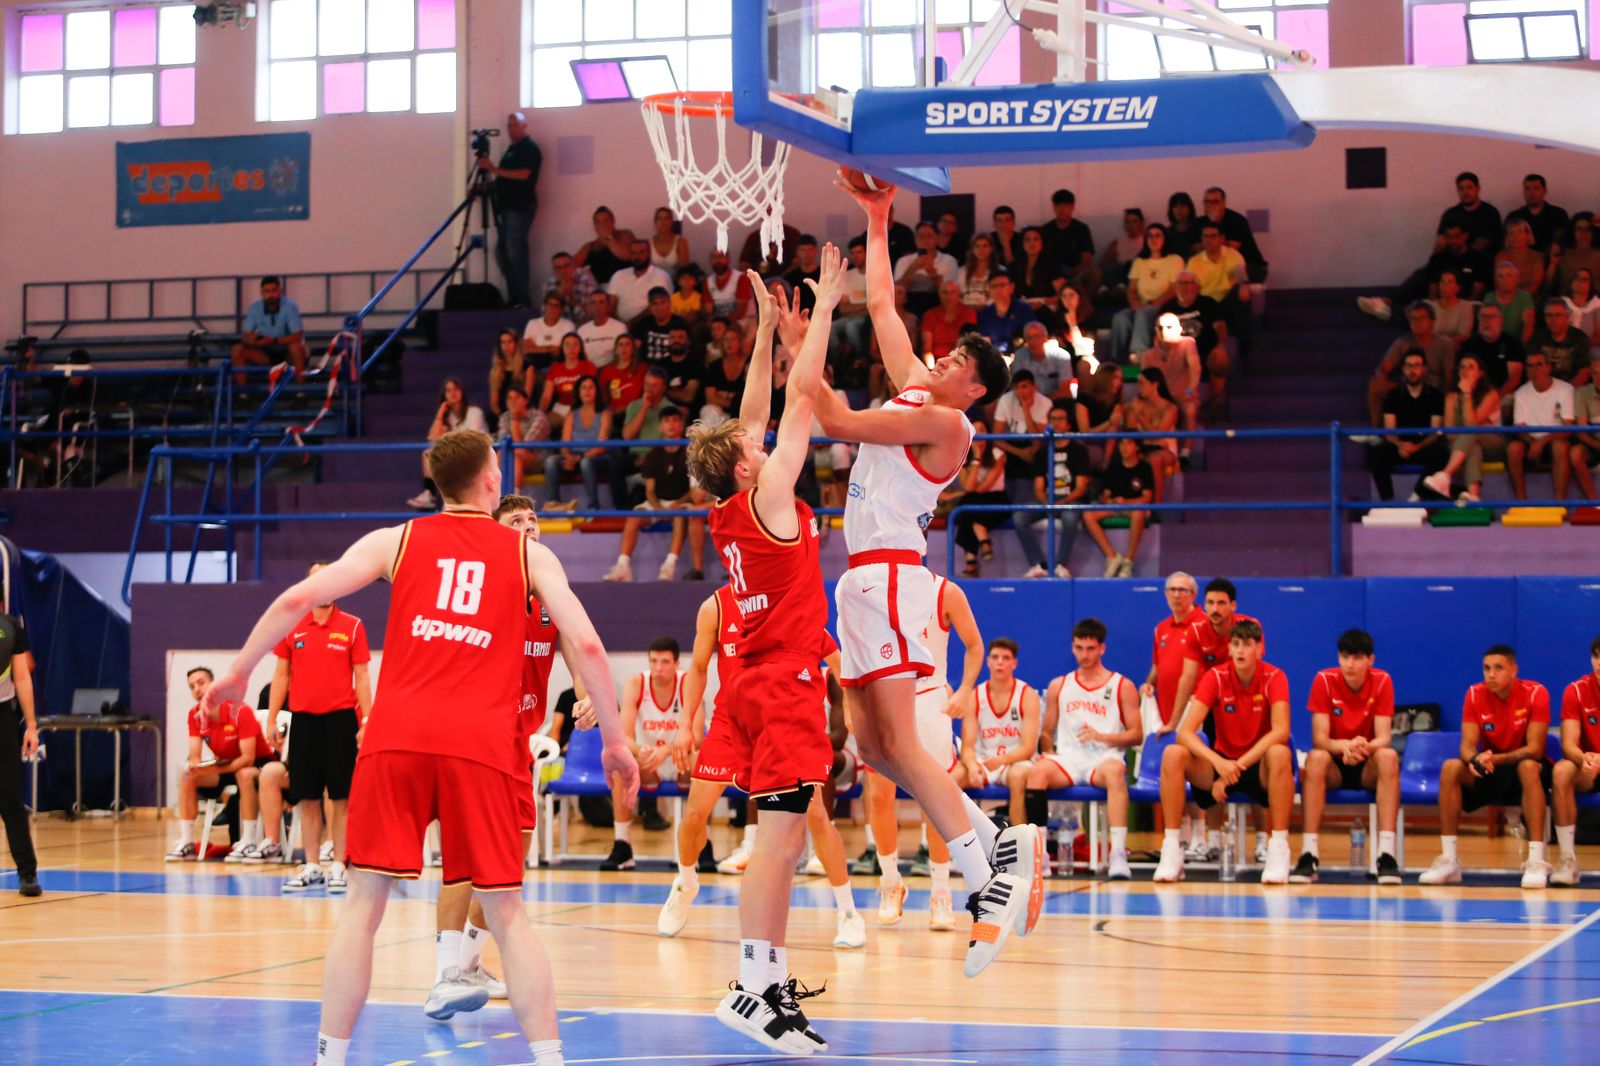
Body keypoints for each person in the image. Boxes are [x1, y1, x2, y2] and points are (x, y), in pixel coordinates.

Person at [201, 428, 638, 1066]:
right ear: (491, 479)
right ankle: (549, 1059)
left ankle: (329, 1057)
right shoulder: (527, 556)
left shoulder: (395, 541)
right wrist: (616, 742)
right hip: (481, 746)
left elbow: (300, 597)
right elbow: (591, 647)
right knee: (509, 912)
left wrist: (240, 670)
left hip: (395, 742)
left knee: (362, 908)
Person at [816, 172, 1040, 980]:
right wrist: (878, 219)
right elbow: (881, 307)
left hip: (893, 578)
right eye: (943, 351)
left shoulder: (949, 422)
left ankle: (987, 876)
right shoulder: (920, 387)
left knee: (904, 747)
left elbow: (835, 420)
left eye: (955, 360)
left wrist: (802, 338)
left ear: (974, 387)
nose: (940, 357)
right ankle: (995, 843)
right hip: (860, 580)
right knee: (872, 744)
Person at [685, 240, 842, 1055]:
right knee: (779, 846)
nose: (761, 440)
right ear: (746, 469)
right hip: (780, 681)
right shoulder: (772, 495)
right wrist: (817, 321)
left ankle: (764, 981)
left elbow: (753, 412)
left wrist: (761, 336)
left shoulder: (726, 509)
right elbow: (804, 400)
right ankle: (753, 987)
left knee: (778, 839)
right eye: (753, 446)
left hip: (752, 679)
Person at [422, 494, 579, 1020]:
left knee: (510, 863)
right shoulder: (485, 589)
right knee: (467, 860)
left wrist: (582, 690)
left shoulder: (549, 591)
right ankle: (445, 975)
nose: (530, 527)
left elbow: (575, 644)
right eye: (517, 521)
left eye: (535, 520)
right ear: (495, 534)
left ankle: (467, 962)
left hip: (518, 746)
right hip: (476, 739)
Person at [870, 576, 984, 930]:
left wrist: (965, 689)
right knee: (878, 797)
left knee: (934, 801)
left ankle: (940, 890)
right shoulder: (871, 587)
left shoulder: (945, 591)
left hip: (931, 697)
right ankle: (890, 882)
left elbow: (975, 644)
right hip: (885, 698)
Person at [1154, 620, 1293, 884]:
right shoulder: (1216, 676)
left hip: (1256, 764)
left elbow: (1281, 731)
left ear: (1259, 649)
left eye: (1248, 645)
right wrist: (1219, 763)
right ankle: (1172, 849)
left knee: (1280, 753)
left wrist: (1235, 767)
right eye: (1236, 644)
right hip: (1220, 762)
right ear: (1229, 648)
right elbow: (1185, 731)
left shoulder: (1275, 677)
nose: (1241, 650)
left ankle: (1279, 848)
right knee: (1173, 753)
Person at [261, 564, 372, 892]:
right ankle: (311, 865)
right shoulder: (293, 625)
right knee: (306, 797)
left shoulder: (352, 626)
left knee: (340, 798)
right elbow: (282, 674)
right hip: (304, 723)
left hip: (340, 722)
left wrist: (366, 720)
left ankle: (339, 863)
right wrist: (272, 717)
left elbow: (362, 676)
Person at [1419, 645, 1552, 890]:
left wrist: (1495, 759)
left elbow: (1536, 749)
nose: (1491, 674)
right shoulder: (1474, 694)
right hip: (1489, 768)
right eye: (1486, 669)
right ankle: (1449, 860)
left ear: (1514, 670)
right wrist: (1475, 760)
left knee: (1529, 766)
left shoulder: (1536, 693)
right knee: (1450, 767)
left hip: (1520, 768)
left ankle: (1535, 860)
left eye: (1498, 668)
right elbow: (1466, 747)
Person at [1029, 619, 1140, 880]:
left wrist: (1103, 736)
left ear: (1102, 648)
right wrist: (1047, 749)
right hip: (1069, 756)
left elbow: (1137, 734)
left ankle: (1118, 854)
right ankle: (1040, 855)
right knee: (1036, 773)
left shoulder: (1121, 685)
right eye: (1079, 648)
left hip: (1104, 757)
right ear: (1073, 647)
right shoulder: (1060, 685)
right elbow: (1047, 730)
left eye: (1090, 648)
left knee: (1115, 774)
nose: (1084, 655)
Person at [1292, 629, 1401, 885]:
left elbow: (1384, 736)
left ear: (1370, 660)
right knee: (1315, 758)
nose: (1350, 664)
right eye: (1345, 657)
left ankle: (1386, 855)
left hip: (1367, 761)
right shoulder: (1324, 680)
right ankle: (1309, 854)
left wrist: (1362, 748)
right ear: (1338, 658)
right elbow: (1320, 738)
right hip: (1335, 761)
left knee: (1389, 756)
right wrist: (1346, 747)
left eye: (1357, 658)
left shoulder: (1383, 680)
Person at [598, 637, 699, 871]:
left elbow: (697, 736)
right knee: (621, 761)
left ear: (676, 664)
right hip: (647, 761)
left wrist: (665, 751)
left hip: (679, 759)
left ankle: (701, 844)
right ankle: (623, 844)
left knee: (703, 759)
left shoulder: (689, 684)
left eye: (665, 662)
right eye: (653, 661)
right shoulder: (636, 684)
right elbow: (624, 736)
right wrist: (640, 751)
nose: (658, 668)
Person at [166, 666, 275, 861]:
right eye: (191, 686)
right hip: (225, 765)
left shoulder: (240, 711)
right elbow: (195, 756)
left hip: (258, 765)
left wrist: (219, 767)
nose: (197, 689)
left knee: (244, 774)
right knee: (188, 774)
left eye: (201, 683)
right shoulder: (195, 715)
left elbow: (248, 758)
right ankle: (188, 841)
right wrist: (197, 766)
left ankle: (248, 840)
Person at [602, 405, 707, 582]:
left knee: (681, 514)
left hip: (681, 503)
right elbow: (649, 490)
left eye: (675, 420)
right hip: (658, 502)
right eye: (667, 421)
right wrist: (658, 507)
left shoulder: (691, 453)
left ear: (681, 425)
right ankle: (623, 565)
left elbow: (694, 492)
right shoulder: (653, 454)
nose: (671, 425)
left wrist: (675, 505)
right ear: (660, 426)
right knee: (634, 516)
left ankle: (669, 566)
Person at [955, 637, 1039, 826]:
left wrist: (1001, 760)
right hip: (985, 760)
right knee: (954, 777)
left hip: (1016, 761)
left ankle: (1018, 842)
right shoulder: (976, 695)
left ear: (1014, 663)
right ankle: (955, 844)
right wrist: (972, 765)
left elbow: (1028, 748)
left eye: (1006, 658)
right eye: (995, 657)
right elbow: (967, 746)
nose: (1000, 662)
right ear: (988, 661)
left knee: (1018, 776)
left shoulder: (1027, 695)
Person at [993, 370, 1053, 578]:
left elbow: (1040, 442)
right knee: (1002, 454)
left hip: (1037, 453)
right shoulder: (1006, 401)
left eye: (1026, 387)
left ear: (1034, 387)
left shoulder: (1044, 403)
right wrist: (1019, 452)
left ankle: (1036, 504)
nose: (1022, 391)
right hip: (1015, 451)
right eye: (1018, 387)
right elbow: (996, 437)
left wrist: (1027, 410)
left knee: (1038, 454)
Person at [1365, 349, 1448, 501]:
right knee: (1376, 453)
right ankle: (1387, 501)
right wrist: (1400, 444)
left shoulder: (1436, 396)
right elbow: (1389, 430)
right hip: (1399, 446)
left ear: (1424, 369)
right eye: (1409, 366)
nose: (1412, 370)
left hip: (1424, 446)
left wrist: (1418, 446)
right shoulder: (1393, 395)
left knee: (1441, 453)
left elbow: (1435, 431)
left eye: (1417, 366)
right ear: (1403, 369)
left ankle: (1417, 496)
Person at [1550, 637, 1600, 887]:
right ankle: (1568, 860)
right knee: (1561, 770)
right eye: (1596, 656)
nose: (1599, 663)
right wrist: (1584, 758)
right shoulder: (1576, 690)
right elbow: (1569, 743)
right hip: (1588, 767)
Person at [1424, 353, 1503, 504]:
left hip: (1493, 442)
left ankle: (1445, 475)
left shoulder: (1490, 394)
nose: (1465, 370)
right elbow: (1449, 432)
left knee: (1472, 432)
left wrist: (1466, 393)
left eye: (1471, 367)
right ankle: (1473, 496)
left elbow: (1472, 424)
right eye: (1462, 367)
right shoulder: (1451, 397)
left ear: (1480, 373)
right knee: (1473, 448)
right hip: (1464, 444)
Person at [482, 111, 541, 307]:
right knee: (502, 252)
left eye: (515, 124)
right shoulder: (511, 150)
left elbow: (524, 174)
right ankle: (514, 295)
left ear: (524, 126)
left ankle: (522, 298)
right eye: (509, 125)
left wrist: (493, 169)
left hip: (519, 207)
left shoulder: (529, 149)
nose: (511, 129)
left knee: (516, 252)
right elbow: (504, 178)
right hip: (506, 209)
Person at [0, 612, 40, 896]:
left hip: (3, 716)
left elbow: (22, 675)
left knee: (10, 799)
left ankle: (27, 873)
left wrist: (32, 725)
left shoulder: (11, 627)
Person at [410, 378, 489, 510]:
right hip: (455, 457)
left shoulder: (474, 412)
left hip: (476, 456)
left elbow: (473, 440)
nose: (453, 393)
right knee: (429, 453)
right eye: (448, 390)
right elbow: (433, 439)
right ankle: (429, 494)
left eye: (456, 389)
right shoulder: (447, 416)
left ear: (462, 392)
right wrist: (440, 415)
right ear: (444, 395)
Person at [1111, 222, 1184, 363]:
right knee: (1120, 318)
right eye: (1150, 236)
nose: (1153, 239)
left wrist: (1153, 304)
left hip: (1164, 306)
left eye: (1158, 235)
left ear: (1165, 239)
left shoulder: (1174, 260)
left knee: (1143, 314)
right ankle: (1117, 360)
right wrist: (1135, 304)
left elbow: (1174, 289)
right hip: (1141, 306)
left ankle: (1139, 356)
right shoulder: (1139, 262)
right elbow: (1131, 289)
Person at [1083, 436, 1154, 579]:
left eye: (1129, 443)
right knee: (1087, 515)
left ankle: (1128, 561)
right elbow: (1105, 493)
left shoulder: (1145, 468)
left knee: (1139, 512)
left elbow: (1146, 497)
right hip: (1115, 506)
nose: (1124, 447)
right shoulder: (1114, 466)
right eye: (1121, 443)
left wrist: (1126, 501)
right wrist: (1110, 500)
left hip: (1133, 507)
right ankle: (1112, 556)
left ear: (1137, 447)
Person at [1508, 350, 1576, 500]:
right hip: (1530, 441)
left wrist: (1542, 441)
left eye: (1538, 365)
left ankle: (1560, 503)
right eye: (1530, 366)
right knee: (1514, 448)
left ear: (1548, 367)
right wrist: (1532, 442)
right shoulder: (1521, 393)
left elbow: (1568, 428)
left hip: (1554, 440)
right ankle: (1522, 502)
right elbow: (1520, 428)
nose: (1534, 370)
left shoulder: (1565, 390)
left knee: (1560, 447)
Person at [1140, 571, 1200, 734]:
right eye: (1172, 590)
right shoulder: (1161, 629)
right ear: (1166, 594)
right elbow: (1157, 668)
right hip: (1164, 713)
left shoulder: (1205, 625)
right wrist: (1148, 684)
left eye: (1182, 590)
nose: (1176, 595)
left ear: (1193, 595)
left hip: (1195, 710)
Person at [950, 421, 1008, 577]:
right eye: (975, 430)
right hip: (973, 499)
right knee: (967, 506)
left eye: (982, 430)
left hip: (996, 499)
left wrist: (955, 495)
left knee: (966, 510)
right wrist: (976, 459)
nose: (979, 434)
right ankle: (984, 543)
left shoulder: (998, 454)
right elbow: (968, 488)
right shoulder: (963, 456)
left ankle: (971, 562)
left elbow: (983, 487)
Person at [542, 375, 609, 511]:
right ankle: (554, 503)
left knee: (586, 462)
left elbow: (601, 446)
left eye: (591, 387)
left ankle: (594, 506)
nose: (587, 391)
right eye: (583, 388)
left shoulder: (605, 414)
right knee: (551, 461)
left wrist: (580, 458)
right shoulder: (572, 414)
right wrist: (568, 457)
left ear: (597, 391)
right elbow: (565, 443)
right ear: (578, 391)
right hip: (574, 456)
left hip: (596, 457)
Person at [232, 276, 307, 385]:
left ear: (280, 291)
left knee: (296, 347)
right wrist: (252, 339)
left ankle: (301, 392)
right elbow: (246, 333)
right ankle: (242, 395)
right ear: (262, 293)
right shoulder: (255, 307)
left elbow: (297, 336)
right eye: (267, 291)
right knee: (237, 350)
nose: (271, 294)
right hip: (264, 352)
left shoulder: (290, 307)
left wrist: (274, 340)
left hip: (286, 352)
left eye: (274, 290)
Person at [1124, 367, 1180, 499]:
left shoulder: (1170, 408)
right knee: (1131, 456)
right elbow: (1131, 433)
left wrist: (1140, 416)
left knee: (1154, 459)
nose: (1139, 387)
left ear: (1155, 385)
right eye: (1138, 383)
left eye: (1142, 383)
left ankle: (1156, 505)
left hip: (1166, 451)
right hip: (1141, 447)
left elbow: (1158, 435)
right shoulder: (1136, 406)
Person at [1459, 302, 1525, 400]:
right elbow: (1461, 373)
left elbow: (1514, 380)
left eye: (1491, 317)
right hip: (1474, 394)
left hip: (1504, 394)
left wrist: (1494, 399)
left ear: (1501, 320)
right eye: (1483, 317)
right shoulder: (1469, 345)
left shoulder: (1512, 344)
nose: (1486, 320)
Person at [893, 221, 960, 316]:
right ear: (915, 239)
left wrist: (932, 273)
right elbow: (897, 292)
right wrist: (912, 269)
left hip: (938, 303)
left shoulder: (949, 261)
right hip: (910, 304)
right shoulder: (904, 261)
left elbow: (951, 294)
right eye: (921, 236)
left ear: (937, 238)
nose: (925, 239)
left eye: (929, 235)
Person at [1437, 171, 1502, 255]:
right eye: (1461, 188)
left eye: (1469, 187)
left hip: (1481, 262)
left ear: (1478, 189)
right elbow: (1440, 243)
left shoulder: (1490, 213)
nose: (1465, 192)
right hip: (1452, 261)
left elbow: (1481, 244)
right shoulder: (1450, 214)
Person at [1529, 297, 1591, 386]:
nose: (1553, 320)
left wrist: (1565, 393)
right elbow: (1532, 369)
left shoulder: (1579, 338)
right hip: (1543, 388)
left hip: (1571, 389)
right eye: (1549, 315)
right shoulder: (1537, 337)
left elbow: (1583, 373)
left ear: (1567, 317)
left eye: (1558, 315)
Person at [499, 385, 552, 489]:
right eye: (509, 398)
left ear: (525, 401)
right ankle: (496, 497)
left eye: (517, 397)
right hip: (515, 456)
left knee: (517, 456)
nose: (513, 401)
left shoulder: (538, 417)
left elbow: (523, 448)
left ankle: (514, 500)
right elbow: (503, 442)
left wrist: (514, 422)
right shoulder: (505, 417)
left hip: (538, 459)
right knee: (500, 454)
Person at [609, 241, 674, 325]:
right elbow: (610, 304)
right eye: (634, 253)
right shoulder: (618, 275)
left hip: (648, 325)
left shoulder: (661, 276)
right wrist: (618, 325)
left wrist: (631, 324)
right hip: (619, 325)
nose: (637, 256)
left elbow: (661, 306)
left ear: (649, 254)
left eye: (641, 252)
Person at [573, 205, 631, 286]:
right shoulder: (590, 246)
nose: (602, 225)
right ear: (595, 227)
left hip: (624, 285)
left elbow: (627, 254)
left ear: (613, 221)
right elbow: (571, 265)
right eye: (598, 222)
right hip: (600, 292)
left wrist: (608, 237)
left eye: (605, 220)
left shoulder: (624, 235)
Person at [1570, 350, 1600, 499]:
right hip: (1594, 444)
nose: (1598, 378)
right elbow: (1580, 430)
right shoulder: (1582, 393)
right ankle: (1594, 502)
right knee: (1576, 453)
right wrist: (1596, 444)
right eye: (1595, 373)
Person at [1482, 260, 1536, 343]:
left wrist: (1521, 347)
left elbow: (1528, 326)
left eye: (1509, 275)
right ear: (1496, 280)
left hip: (1516, 342)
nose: (1505, 279)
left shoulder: (1524, 297)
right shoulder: (1490, 297)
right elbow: (1484, 323)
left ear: (1517, 279)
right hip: (1493, 341)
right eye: (1500, 276)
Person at [923, 281, 978, 360]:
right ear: (939, 295)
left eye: (953, 292)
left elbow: (969, 345)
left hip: (960, 361)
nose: (949, 296)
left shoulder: (969, 313)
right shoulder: (930, 315)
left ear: (959, 294)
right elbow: (927, 349)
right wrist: (932, 369)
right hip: (936, 362)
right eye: (945, 292)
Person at [541, 251, 598, 326]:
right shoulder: (550, 285)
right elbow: (545, 314)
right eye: (558, 268)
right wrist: (558, 297)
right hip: (559, 327)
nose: (563, 271)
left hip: (583, 327)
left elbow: (588, 316)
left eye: (566, 266)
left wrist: (570, 296)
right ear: (553, 270)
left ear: (573, 266)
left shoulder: (586, 281)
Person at [522, 293, 574, 368]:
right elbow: (526, 349)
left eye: (556, 306)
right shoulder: (532, 323)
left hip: (559, 364)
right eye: (550, 305)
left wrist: (537, 348)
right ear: (545, 306)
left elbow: (567, 351)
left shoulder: (568, 325)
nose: (553, 309)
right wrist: (550, 348)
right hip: (536, 364)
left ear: (561, 309)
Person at [599, 334, 645, 415]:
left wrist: (626, 408)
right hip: (613, 415)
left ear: (633, 349)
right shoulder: (607, 371)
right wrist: (608, 408)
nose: (624, 348)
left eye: (627, 345)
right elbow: (602, 395)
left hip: (636, 413)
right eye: (620, 345)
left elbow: (647, 395)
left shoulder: (642, 369)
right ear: (616, 349)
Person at [489, 328, 527, 417]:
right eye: (503, 342)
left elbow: (527, 396)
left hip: (522, 412)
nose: (506, 346)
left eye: (510, 342)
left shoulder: (527, 366)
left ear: (516, 344)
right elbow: (494, 403)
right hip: (502, 414)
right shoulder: (496, 369)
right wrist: (502, 417)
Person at [648, 206, 690, 273]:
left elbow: (684, 269)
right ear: (655, 223)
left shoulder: (681, 242)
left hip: (675, 281)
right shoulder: (648, 243)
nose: (663, 222)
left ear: (671, 222)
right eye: (659, 218)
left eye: (666, 218)